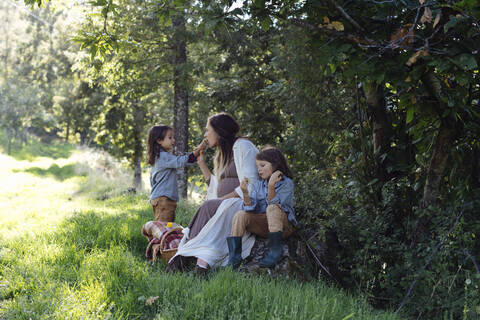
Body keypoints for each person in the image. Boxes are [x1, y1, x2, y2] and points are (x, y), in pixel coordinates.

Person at [166, 113, 259, 275]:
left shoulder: (243, 146)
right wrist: (201, 163)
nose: (205, 135)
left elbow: (252, 184)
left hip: (245, 203)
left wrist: (222, 200)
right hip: (227, 203)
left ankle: (184, 255)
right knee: (209, 206)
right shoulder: (223, 154)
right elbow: (216, 187)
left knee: (209, 206)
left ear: (219, 131)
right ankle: (187, 254)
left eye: (208, 130)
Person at [226, 147, 296, 268]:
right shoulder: (258, 185)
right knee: (240, 215)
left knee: (272, 208)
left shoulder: (287, 183)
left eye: (262, 165)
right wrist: (245, 193)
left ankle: (275, 252)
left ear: (275, 164)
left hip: (283, 228)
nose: (259, 170)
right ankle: (234, 257)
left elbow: (278, 208)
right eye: (258, 166)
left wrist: (271, 187)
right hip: (264, 227)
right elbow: (250, 209)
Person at [147, 125, 205, 222]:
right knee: (165, 228)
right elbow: (180, 161)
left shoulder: (158, 156)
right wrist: (197, 151)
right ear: (159, 140)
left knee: (164, 226)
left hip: (159, 198)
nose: (173, 140)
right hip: (164, 199)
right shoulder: (163, 156)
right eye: (170, 138)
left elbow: (152, 180)